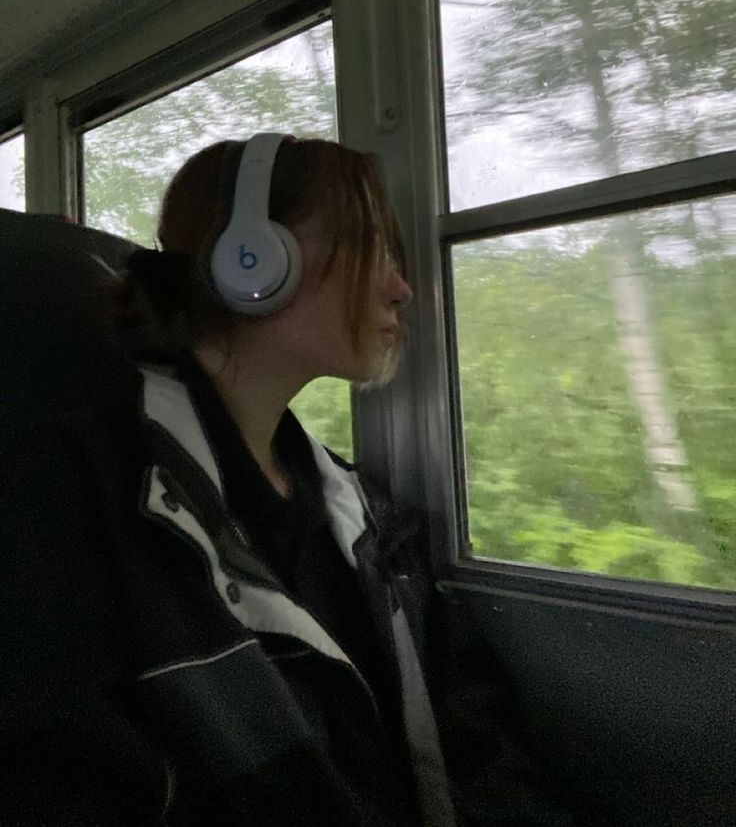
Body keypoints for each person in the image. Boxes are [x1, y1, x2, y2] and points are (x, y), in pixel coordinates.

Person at [1, 134, 583, 826]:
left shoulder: (365, 512)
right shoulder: (75, 500)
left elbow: (473, 743)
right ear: (253, 257)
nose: (402, 288)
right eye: (373, 246)